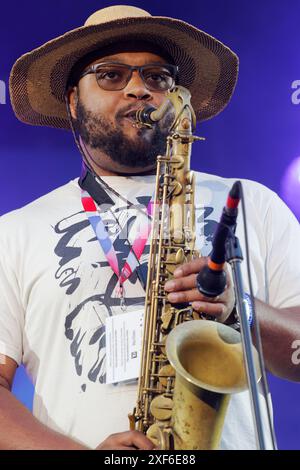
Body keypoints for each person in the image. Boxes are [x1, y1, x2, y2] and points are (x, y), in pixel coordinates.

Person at [0, 5, 300, 450]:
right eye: (111, 75)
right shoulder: (16, 231)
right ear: (71, 99)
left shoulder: (254, 203)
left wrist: (243, 307)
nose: (139, 89)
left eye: (158, 77)